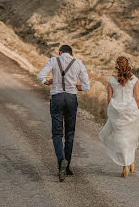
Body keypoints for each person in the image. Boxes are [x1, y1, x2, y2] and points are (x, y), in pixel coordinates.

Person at [37, 44, 90, 182]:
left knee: (57, 133)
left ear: (60, 52)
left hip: (57, 98)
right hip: (71, 99)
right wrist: (74, 86)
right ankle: (67, 168)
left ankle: (61, 162)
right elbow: (86, 86)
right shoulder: (78, 63)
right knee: (70, 133)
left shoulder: (53, 60)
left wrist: (47, 82)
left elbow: (40, 76)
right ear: (72, 54)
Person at [99, 56, 139, 178]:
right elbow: (137, 98)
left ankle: (127, 165)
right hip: (131, 111)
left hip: (116, 111)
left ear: (117, 66)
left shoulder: (111, 80)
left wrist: (112, 112)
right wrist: (134, 111)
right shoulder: (134, 80)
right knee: (131, 137)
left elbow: (109, 99)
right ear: (128, 65)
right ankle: (129, 163)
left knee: (120, 138)